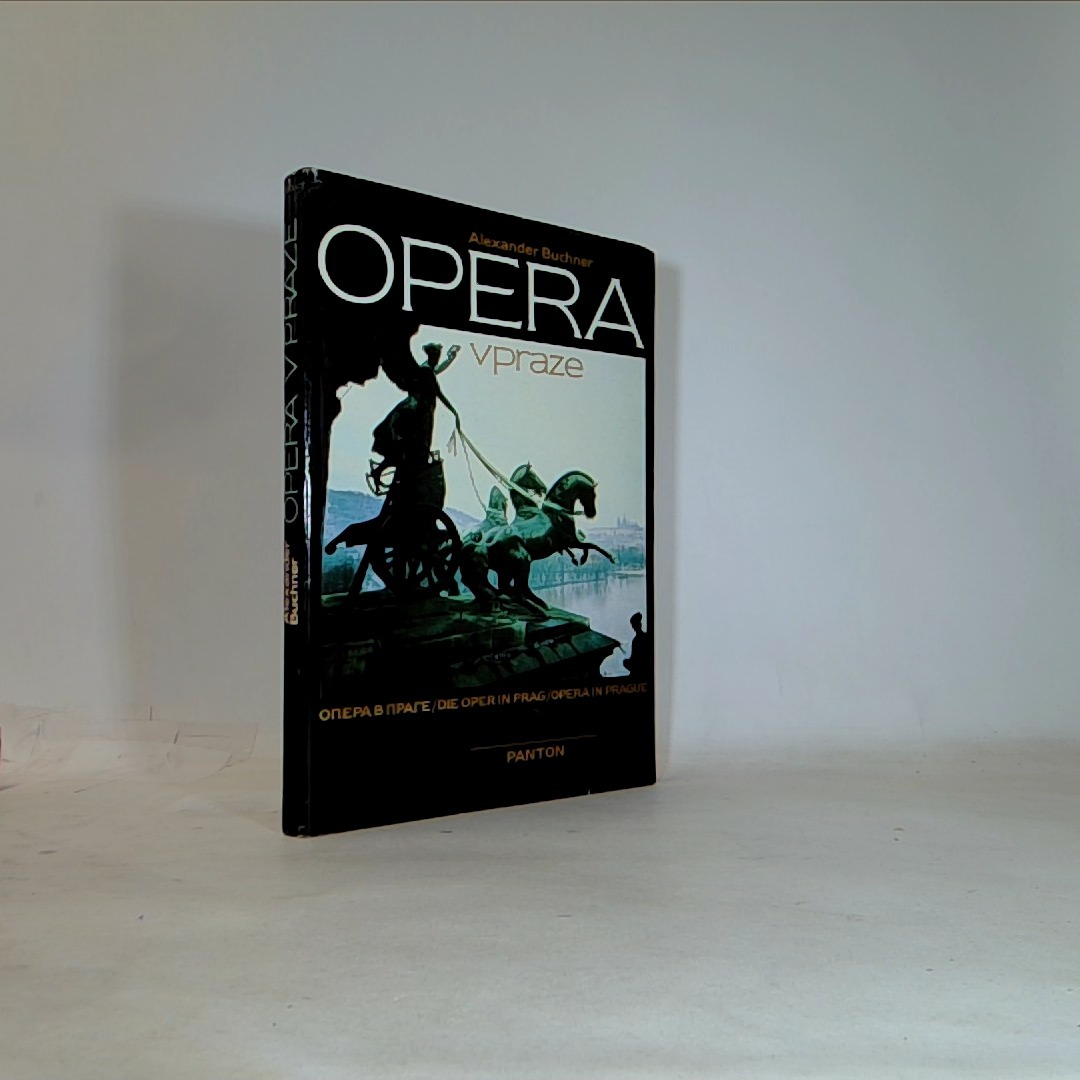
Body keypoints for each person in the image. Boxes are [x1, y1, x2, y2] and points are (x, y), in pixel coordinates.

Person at [370, 342, 459, 492]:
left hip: (420, 413)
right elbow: (438, 392)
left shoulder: (427, 369)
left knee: (406, 451)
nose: (438, 359)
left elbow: (438, 369)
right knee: (411, 450)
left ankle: (381, 472)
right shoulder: (426, 371)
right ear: (433, 356)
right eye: (437, 356)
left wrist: (450, 358)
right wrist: (454, 411)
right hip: (418, 415)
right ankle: (389, 476)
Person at [623, 612, 650, 678]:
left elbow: (635, 658)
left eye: (633, 625)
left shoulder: (637, 640)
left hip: (641, 666)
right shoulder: (638, 639)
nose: (633, 627)